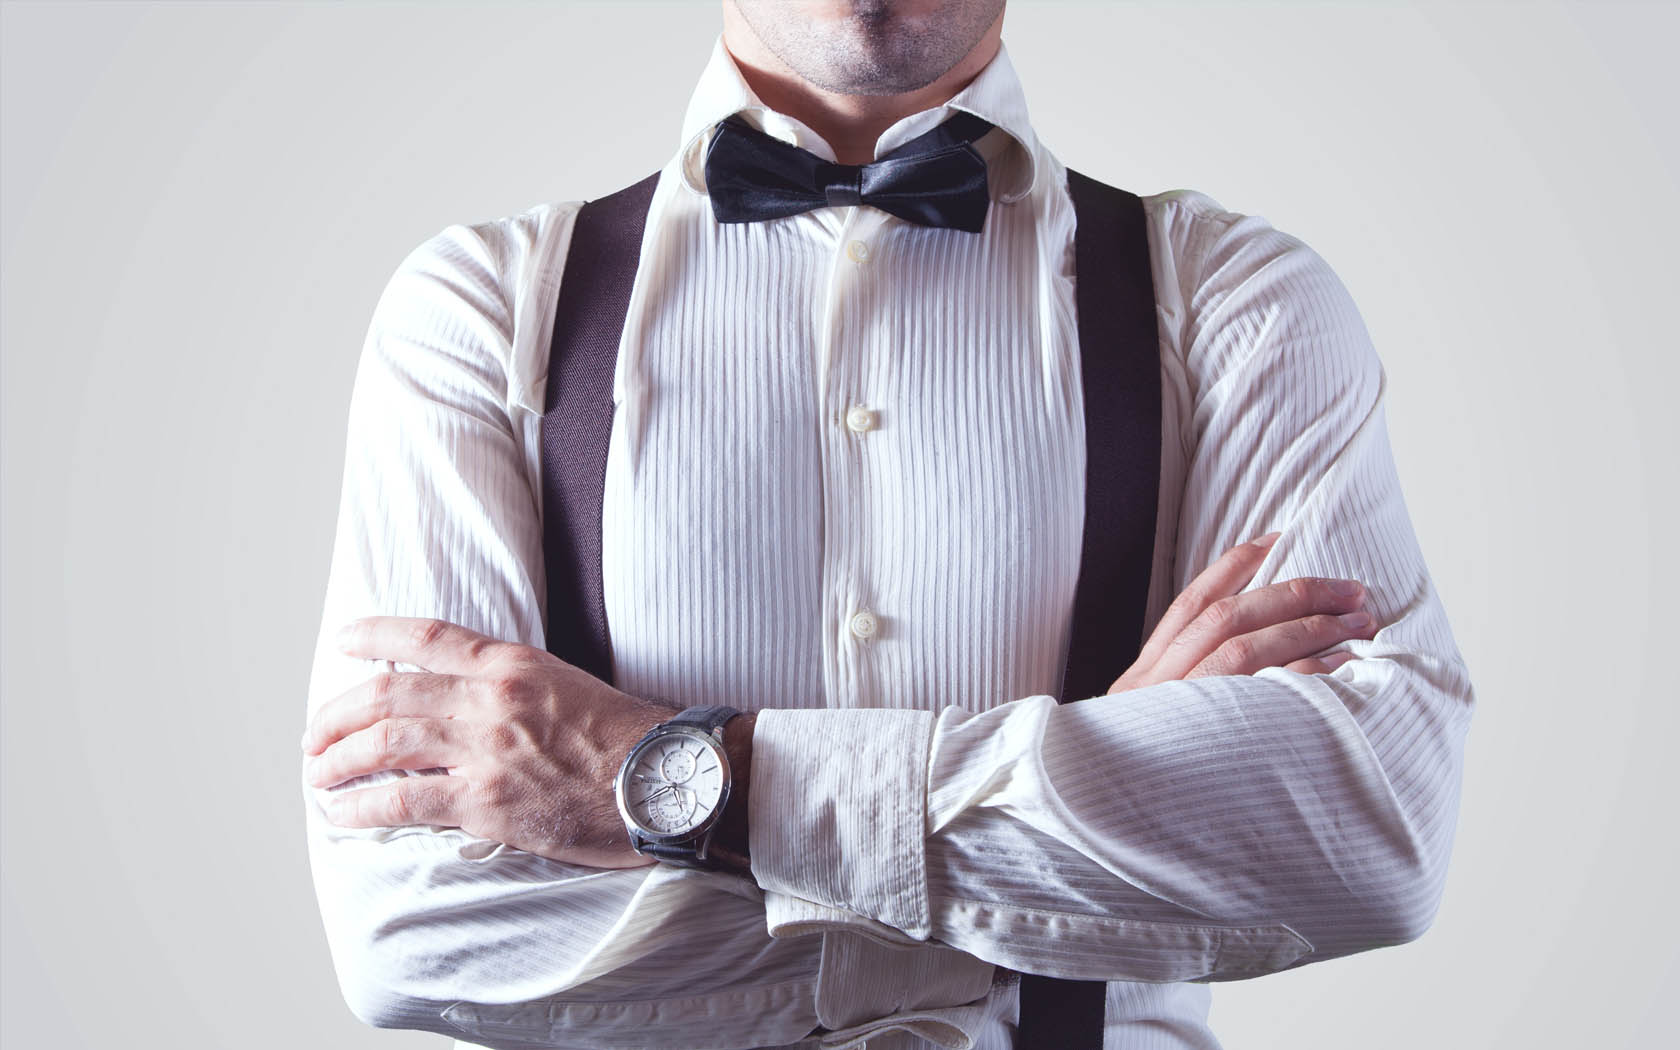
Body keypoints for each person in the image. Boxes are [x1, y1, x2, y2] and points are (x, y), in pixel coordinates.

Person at [299, 2, 1475, 1047]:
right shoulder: (483, 312)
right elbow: (413, 929)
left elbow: (1364, 838)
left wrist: (665, 786)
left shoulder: (1235, 305)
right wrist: (1097, 816)